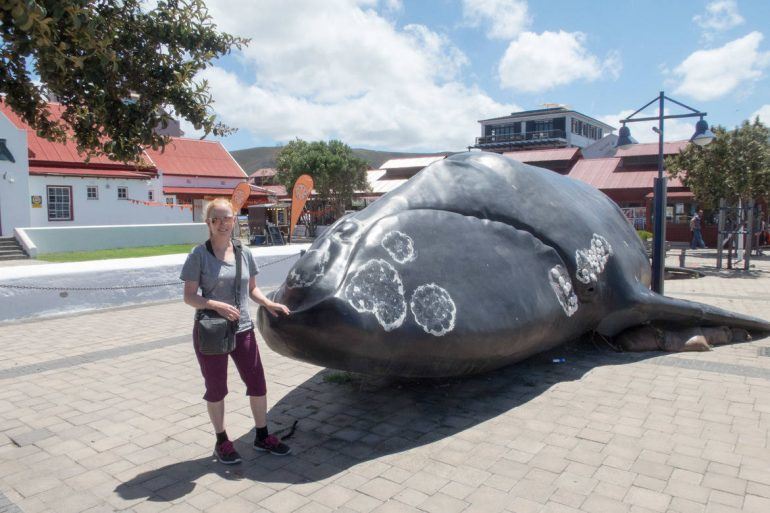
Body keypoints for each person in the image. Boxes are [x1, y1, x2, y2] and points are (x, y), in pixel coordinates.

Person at [181, 198, 292, 464]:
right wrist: (216, 305)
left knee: (257, 383)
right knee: (217, 388)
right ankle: (222, 441)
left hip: (243, 329)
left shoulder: (244, 252)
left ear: (234, 220)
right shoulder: (199, 255)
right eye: (216, 219)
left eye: (227, 218)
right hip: (211, 331)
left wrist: (268, 302)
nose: (222, 224)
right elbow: (189, 296)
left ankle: (262, 435)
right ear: (208, 223)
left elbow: (251, 289)